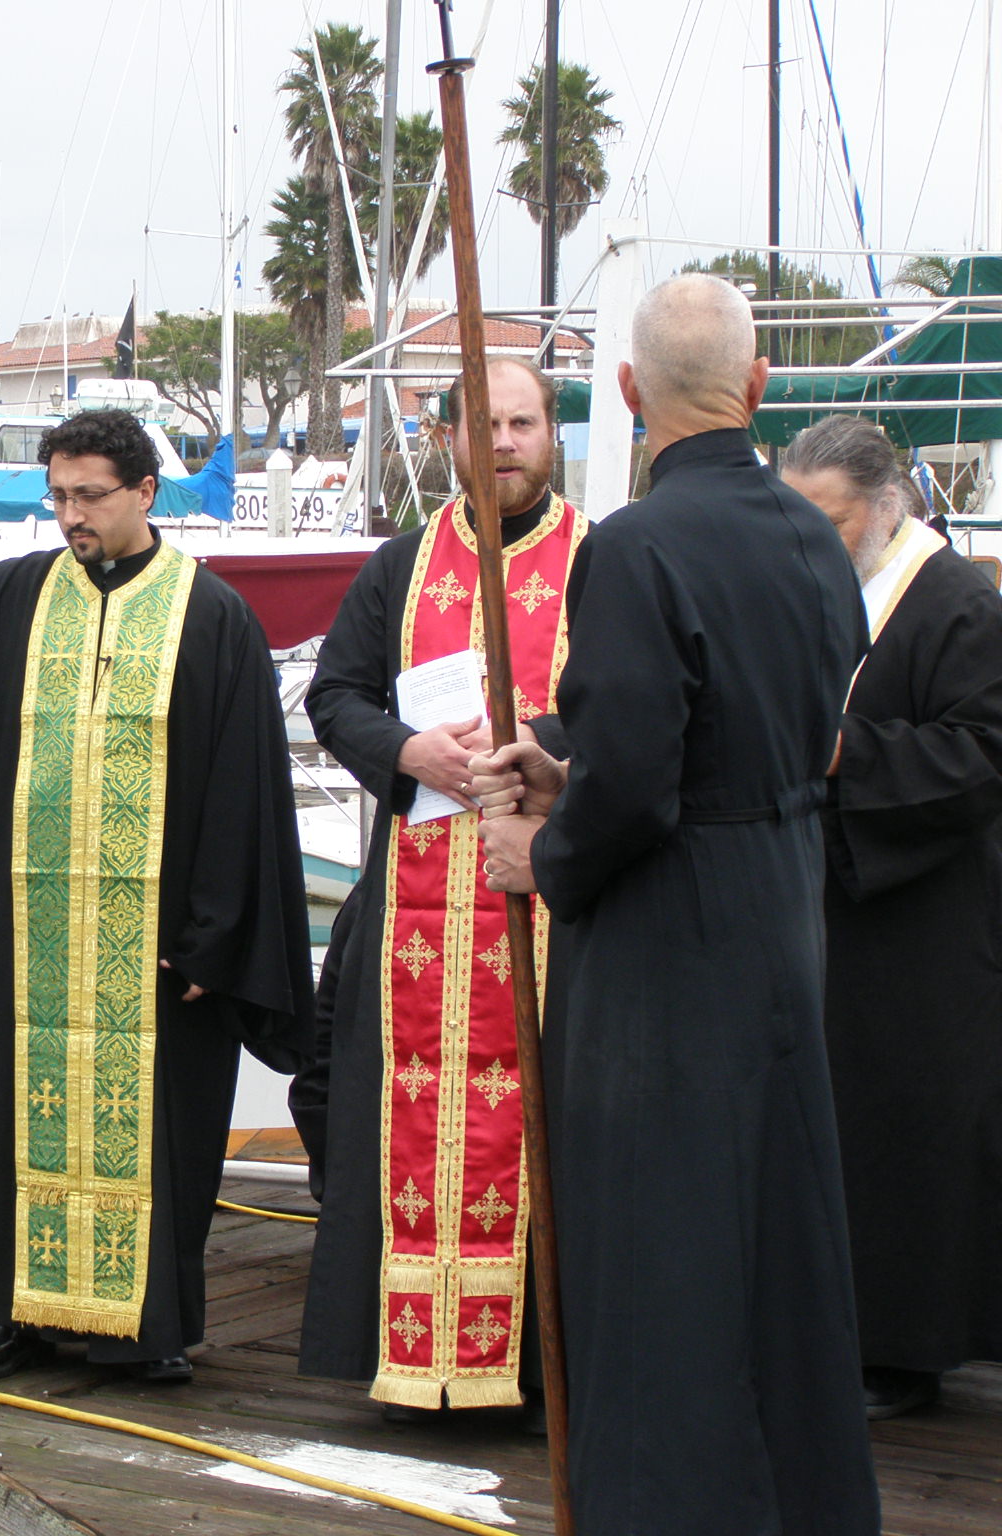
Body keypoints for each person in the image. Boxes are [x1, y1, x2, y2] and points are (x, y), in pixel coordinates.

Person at [470, 274, 879, 1531]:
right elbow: (781, 736)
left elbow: (642, 789)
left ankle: (664, 1503)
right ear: (757, 392)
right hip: (779, 910)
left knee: (655, 1242)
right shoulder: (815, 539)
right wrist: (578, 769)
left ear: (631, 394)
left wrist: (545, 852)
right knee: (776, 1232)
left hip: (663, 936)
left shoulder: (637, 546)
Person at [0, 409, 315, 1383]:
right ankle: (14, 1313)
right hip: (32, 939)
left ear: (144, 493)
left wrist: (210, 938)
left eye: (88, 496)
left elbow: (242, 794)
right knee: (16, 1120)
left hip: (156, 951)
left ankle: (143, 1328)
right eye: (56, 497)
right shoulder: (15, 595)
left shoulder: (210, 616)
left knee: (155, 1134)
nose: (69, 517)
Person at [293, 358, 585, 1418]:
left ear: (550, 433)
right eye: (484, 425)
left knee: (549, 1129)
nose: (503, 442)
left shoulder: (599, 561)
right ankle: (410, 1361)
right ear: (449, 441)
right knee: (386, 1112)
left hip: (550, 909)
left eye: (521, 422)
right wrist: (408, 750)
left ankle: (532, 1369)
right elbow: (334, 693)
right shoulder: (402, 566)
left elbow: (635, 714)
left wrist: (532, 746)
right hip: (413, 896)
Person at [782, 413, 1002, 1420]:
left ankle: (898, 1353)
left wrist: (840, 755)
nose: (812, 540)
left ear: (883, 507)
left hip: (923, 915)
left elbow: (979, 754)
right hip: (828, 897)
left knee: (904, 1129)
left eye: (827, 521)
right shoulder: (821, 589)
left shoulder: (953, 602)